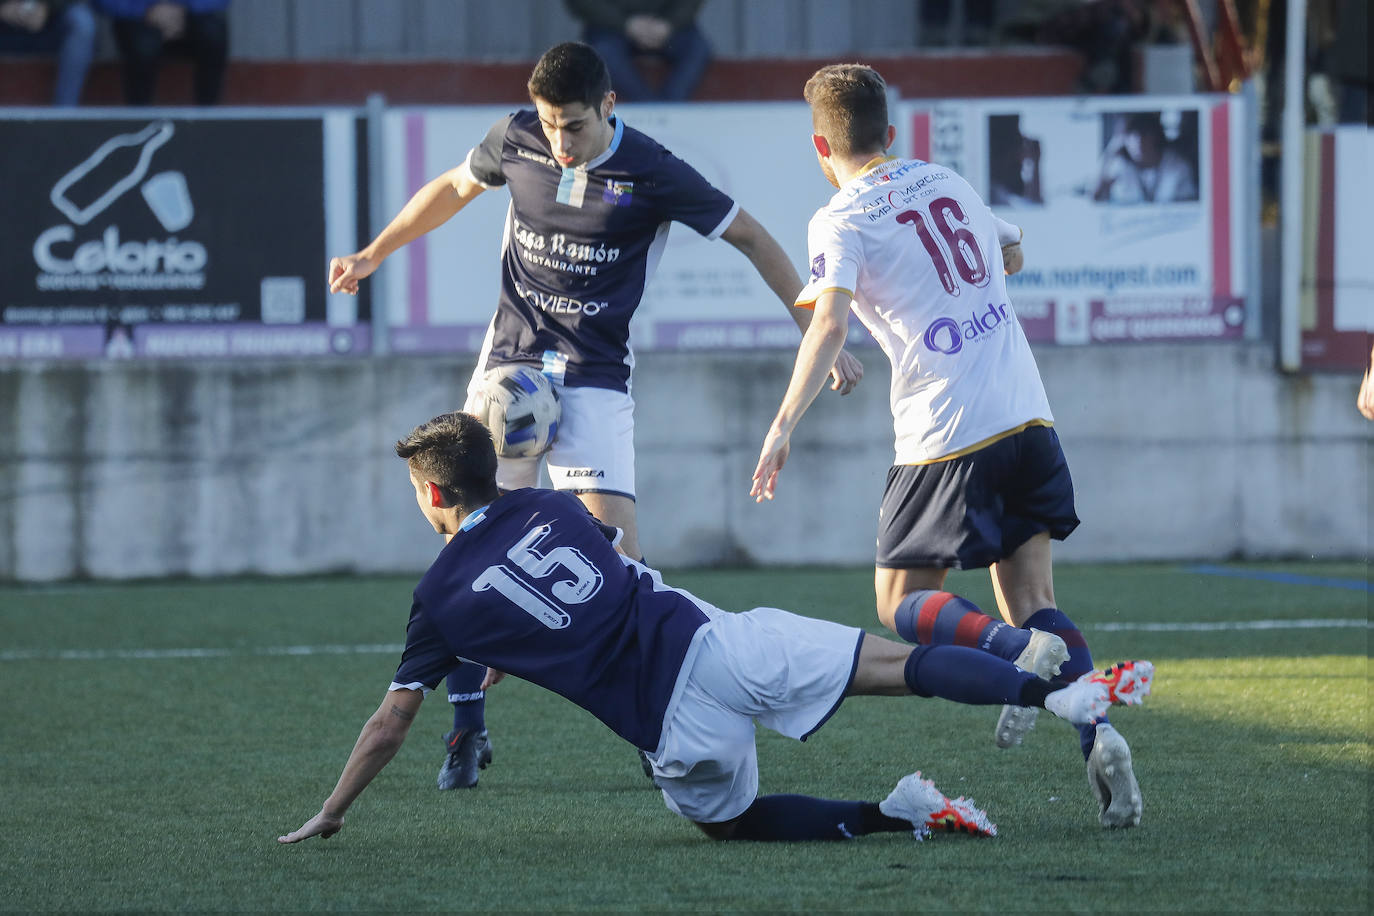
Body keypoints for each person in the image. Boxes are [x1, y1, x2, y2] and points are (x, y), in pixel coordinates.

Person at [327, 41, 863, 789]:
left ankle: (657, 726)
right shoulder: (514, 136)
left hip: (593, 381)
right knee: (474, 560)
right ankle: (466, 730)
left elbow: (749, 235)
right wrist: (374, 253)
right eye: (549, 124)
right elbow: (453, 187)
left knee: (624, 566)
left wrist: (815, 331)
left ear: (609, 107)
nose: (558, 141)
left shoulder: (651, 169)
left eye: (572, 125)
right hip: (506, 378)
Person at [277, 411, 1153, 846]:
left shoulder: (439, 598)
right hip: (717, 638)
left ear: (433, 493)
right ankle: (1065, 694)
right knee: (902, 666)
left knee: (730, 825)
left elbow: (394, 720)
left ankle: (901, 815)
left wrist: (330, 811)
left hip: (671, 723)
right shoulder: (549, 501)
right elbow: (606, 554)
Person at [750, 63, 1147, 828]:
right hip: (1028, 414)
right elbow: (1012, 254)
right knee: (1036, 599)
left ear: (819, 146)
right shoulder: (946, 180)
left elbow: (828, 322)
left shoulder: (839, 217)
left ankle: (1008, 652)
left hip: (946, 433)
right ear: (890, 133)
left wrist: (782, 425)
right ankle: (1098, 731)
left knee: (900, 604)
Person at [564, 0, 711, 102]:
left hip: (666, 25)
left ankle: (667, 108)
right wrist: (626, 24)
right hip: (609, 27)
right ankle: (651, 108)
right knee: (602, 53)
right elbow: (581, 3)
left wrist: (668, 24)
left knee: (698, 49)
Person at [93, 0, 229, 105]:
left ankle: (207, 116)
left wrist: (183, 9)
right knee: (144, 45)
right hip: (137, 15)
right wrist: (143, 11)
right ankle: (139, 120)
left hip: (189, 13)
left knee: (213, 34)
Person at [0, 0, 97, 107]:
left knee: (81, 23)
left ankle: (64, 113)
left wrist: (48, 7)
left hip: (53, 17)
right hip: (5, 20)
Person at [1093, 112, 1198, 204]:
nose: (1138, 141)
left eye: (1144, 134)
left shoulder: (1178, 166)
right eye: (1131, 135)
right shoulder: (1120, 165)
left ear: (1155, 136)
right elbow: (1094, 197)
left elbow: (1189, 205)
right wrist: (1111, 151)